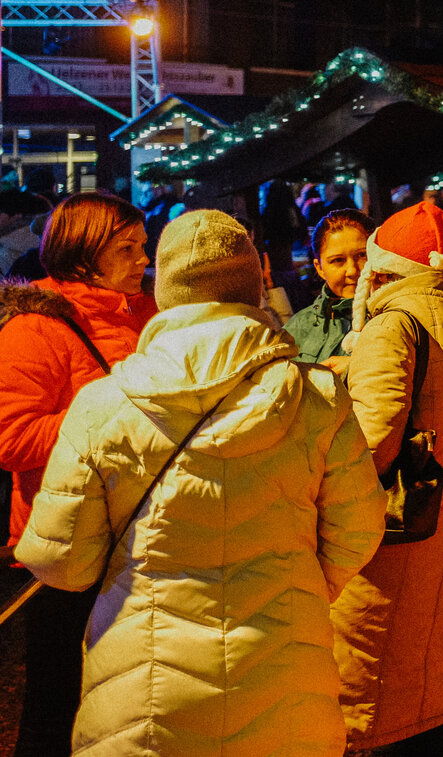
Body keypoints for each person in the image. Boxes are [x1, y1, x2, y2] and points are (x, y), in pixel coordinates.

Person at [15, 210, 386, 757]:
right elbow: (358, 531)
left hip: (142, 686)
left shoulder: (103, 403)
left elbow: (60, 561)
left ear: (166, 290)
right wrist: (294, 585)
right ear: (254, 286)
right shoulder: (318, 399)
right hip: (285, 672)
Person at [332, 200, 443, 753]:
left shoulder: (392, 327)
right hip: (433, 513)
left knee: (368, 663)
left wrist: (328, 492)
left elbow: (375, 436)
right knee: (417, 655)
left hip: (384, 524)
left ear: (382, 270)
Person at [0, 193, 158, 756]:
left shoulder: (145, 314)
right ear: (85, 252)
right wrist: (110, 418)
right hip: (64, 545)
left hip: (134, 540)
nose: (144, 258)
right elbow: (11, 440)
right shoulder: (35, 328)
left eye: (143, 244)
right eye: (128, 248)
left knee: (125, 704)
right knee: (56, 702)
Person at [285, 208, 376, 365]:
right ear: (319, 268)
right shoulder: (297, 327)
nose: (352, 270)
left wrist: (354, 366)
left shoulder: (393, 316)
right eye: (338, 260)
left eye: (362, 255)